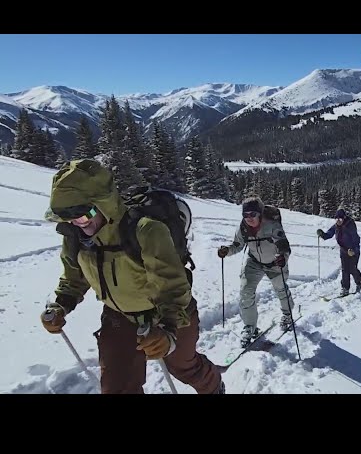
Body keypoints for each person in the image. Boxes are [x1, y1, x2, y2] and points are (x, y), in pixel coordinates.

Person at [41, 159, 224, 394]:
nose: (76, 224)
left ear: (104, 205)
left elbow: (173, 286)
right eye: (67, 219)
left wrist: (168, 329)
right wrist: (61, 305)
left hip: (169, 314)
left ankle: (214, 387)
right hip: (119, 316)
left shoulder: (145, 231)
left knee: (183, 366)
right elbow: (74, 278)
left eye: (83, 216)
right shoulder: (75, 236)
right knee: (117, 386)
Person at [218, 196, 293, 347]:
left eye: (252, 214)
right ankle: (250, 327)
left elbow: (284, 245)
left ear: (259, 213)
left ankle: (287, 315)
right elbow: (237, 245)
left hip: (275, 263)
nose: (249, 218)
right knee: (246, 291)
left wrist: (282, 257)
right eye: (245, 215)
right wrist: (227, 251)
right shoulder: (243, 228)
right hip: (254, 262)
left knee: (280, 289)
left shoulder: (272, 225)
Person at [317, 208, 361, 297]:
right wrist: (322, 234)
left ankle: (359, 283)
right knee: (345, 270)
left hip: (353, 251)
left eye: (340, 219)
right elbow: (329, 234)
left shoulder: (350, 225)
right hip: (343, 251)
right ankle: (345, 288)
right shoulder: (336, 226)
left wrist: (353, 250)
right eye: (336, 219)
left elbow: (356, 239)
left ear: (344, 218)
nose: (338, 221)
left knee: (352, 268)